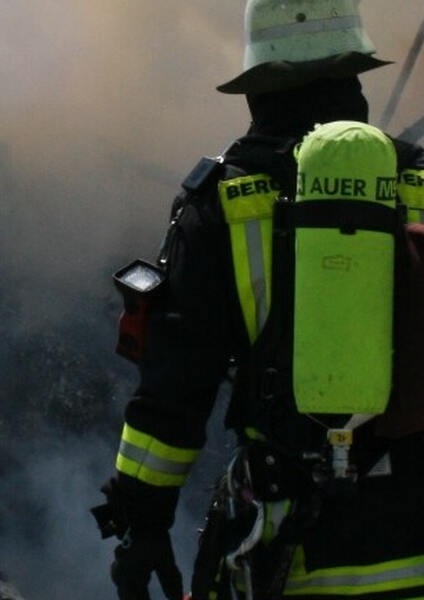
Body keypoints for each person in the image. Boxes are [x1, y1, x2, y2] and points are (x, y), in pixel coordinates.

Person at [92, 1, 424, 598]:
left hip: (296, 548)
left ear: (259, 88)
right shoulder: (420, 185)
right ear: (353, 72)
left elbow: (173, 395)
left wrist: (141, 524)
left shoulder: (225, 201)